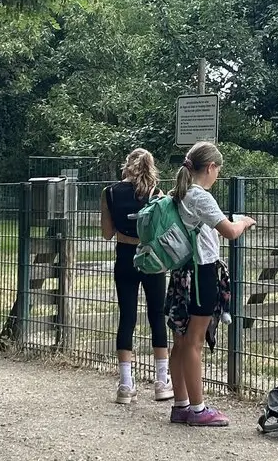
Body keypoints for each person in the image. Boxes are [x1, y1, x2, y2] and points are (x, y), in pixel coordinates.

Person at [166, 141, 256, 427]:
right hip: (202, 272)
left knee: (180, 341)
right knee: (194, 342)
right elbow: (229, 232)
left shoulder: (179, 194)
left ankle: (180, 404)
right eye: (218, 169)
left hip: (182, 272)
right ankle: (198, 408)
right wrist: (244, 221)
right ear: (211, 167)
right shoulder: (201, 196)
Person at [100, 148, 173, 404]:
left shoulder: (109, 192)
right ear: (150, 166)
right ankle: (162, 382)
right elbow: (163, 229)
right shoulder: (156, 193)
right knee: (156, 316)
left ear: (127, 165)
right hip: (151, 258)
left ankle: (126, 384)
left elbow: (107, 233)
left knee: (127, 317)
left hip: (124, 257)